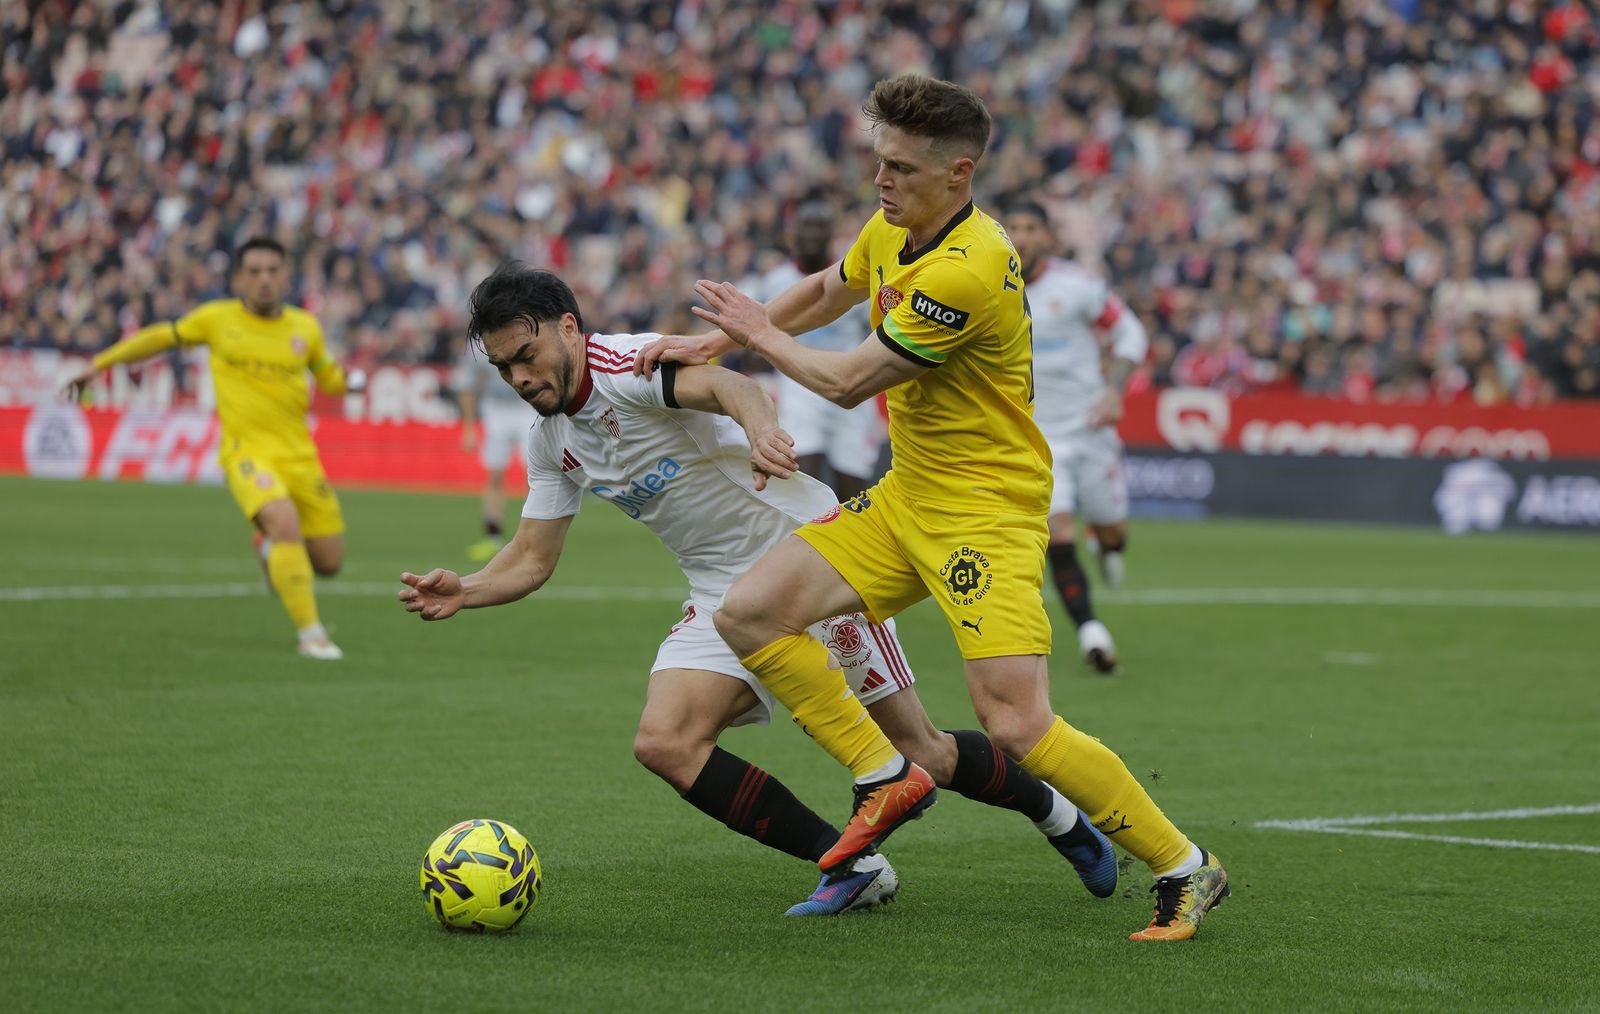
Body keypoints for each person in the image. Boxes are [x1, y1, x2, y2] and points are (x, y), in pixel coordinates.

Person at [640, 74, 1228, 941]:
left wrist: (756, 340)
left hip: (984, 512)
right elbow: (827, 289)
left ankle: (1186, 866)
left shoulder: (969, 266)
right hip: (907, 496)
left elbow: (844, 382)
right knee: (753, 612)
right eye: (879, 163)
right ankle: (885, 775)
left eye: (903, 169)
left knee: (1018, 721)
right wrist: (721, 337)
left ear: (960, 174)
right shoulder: (900, 225)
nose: (883, 182)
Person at [398, 264, 1117, 915]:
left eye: (525, 356)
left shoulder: (630, 366)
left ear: (567, 329)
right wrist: (466, 587)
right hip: (721, 593)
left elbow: (732, 385)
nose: (519, 378)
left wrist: (763, 430)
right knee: (666, 741)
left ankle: (1058, 815)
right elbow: (530, 558)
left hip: (813, 565)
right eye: (503, 368)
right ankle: (853, 866)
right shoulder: (550, 441)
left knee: (922, 756)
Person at [64, 237, 354, 660]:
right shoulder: (217, 319)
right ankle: (311, 634)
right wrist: (100, 363)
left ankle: (268, 548)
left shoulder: (304, 327)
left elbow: (328, 377)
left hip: (301, 457)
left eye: (272, 270)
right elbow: (162, 336)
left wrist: (346, 380)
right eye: (254, 271)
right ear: (239, 277)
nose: (264, 279)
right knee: (283, 522)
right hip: (246, 452)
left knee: (328, 562)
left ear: (285, 276)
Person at [1002, 200, 1149, 675]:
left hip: (1090, 430)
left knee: (1113, 532)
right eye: (1014, 228)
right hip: (1036, 439)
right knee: (1057, 534)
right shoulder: (986, 286)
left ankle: (1108, 548)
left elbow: (1130, 333)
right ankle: (1092, 632)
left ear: (1047, 237)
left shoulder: (1079, 287)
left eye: (1031, 228)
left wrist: (1115, 389)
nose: (1022, 236)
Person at [746, 202, 884, 500]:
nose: (812, 235)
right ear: (792, 235)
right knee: (803, 475)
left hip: (850, 381)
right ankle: (810, 540)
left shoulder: (854, 278)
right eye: (806, 227)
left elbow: (871, 328)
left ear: (831, 234)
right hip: (800, 384)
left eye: (819, 228)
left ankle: (851, 542)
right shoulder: (775, 282)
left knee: (854, 487)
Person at [454, 340, 537, 561]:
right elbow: (466, 385)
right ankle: (493, 535)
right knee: (495, 474)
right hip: (495, 408)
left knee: (535, 473)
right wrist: (469, 427)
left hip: (527, 404)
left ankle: (534, 536)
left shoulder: (524, 333)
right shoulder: (480, 344)